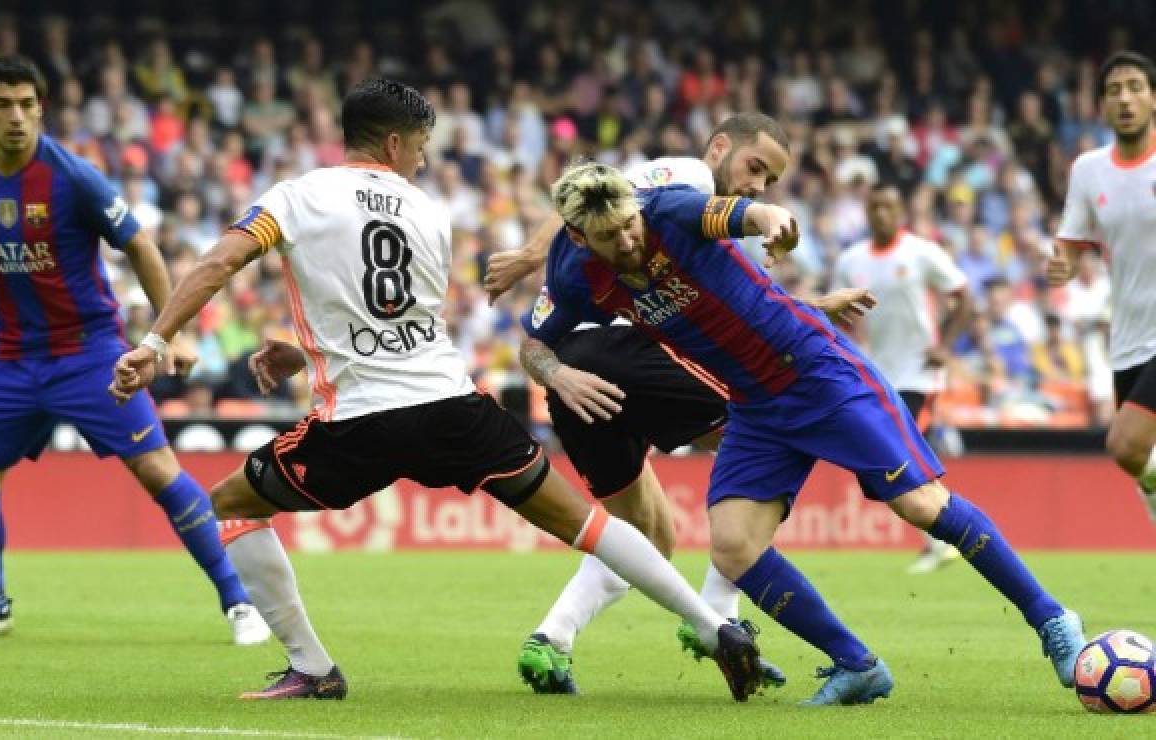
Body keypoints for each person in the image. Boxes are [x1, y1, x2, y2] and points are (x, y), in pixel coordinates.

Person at [107, 78, 763, 702]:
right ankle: (717, 630)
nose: (423, 162)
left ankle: (312, 668)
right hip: (455, 408)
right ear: (394, 145)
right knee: (586, 522)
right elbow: (401, 328)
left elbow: (223, 263)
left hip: (360, 423)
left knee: (231, 503)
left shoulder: (294, 196)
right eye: (420, 148)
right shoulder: (431, 212)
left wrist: (157, 342)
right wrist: (306, 354)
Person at [522, 161, 1085, 705]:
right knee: (734, 547)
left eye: (628, 225)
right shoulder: (573, 271)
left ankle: (1052, 620)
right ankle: (857, 665)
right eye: (607, 236)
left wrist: (772, 221)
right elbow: (535, 342)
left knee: (919, 504)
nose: (624, 241)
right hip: (755, 407)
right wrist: (558, 374)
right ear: (577, 235)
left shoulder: (669, 211)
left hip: (819, 373)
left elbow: (747, 214)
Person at [489, 114, 873, 694]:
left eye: (770, 179)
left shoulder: (619, 231)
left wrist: (559, 371)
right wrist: (528, 253)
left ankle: (553, 640)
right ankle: (722, 616)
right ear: (719, 148)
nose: (757, 186)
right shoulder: (687, 180)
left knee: (644, 533)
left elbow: (559, 312)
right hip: (629, 352)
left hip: (580, 384)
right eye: (754, 167)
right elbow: (613, 199)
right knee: (769, 432)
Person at [0, 56, 269, 645]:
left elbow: (142, 248)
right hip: (12, 357)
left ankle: (238, 601)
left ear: (41, 109)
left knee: (156, 469)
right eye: (4, 104)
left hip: (89, 352)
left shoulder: (73, 177)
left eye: (27, 104)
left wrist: (166, 336)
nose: (17, 117)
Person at [835, 183, 973, 574]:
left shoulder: (922, 253)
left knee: (904, 451)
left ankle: (944, 539)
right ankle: (941, 539)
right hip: (879, 375)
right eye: (875, 207)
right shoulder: (851, 260)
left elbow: (964, 296)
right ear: (867, 213)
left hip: (919, 374)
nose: (882, 214)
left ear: (900, 212)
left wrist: (945, 345)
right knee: (895, 457)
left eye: (889, 206)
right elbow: (838, 312)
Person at [1048, 51, 1156, 517]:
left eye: (1135, 87)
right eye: (1114, 91)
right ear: (1102, 107)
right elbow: (1073, 241)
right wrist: (1066, 265)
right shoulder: (1088, 171)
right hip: (1129, 336)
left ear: (1153, 99)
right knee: (1139, 466)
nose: (1126, 99)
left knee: (1126, 445)